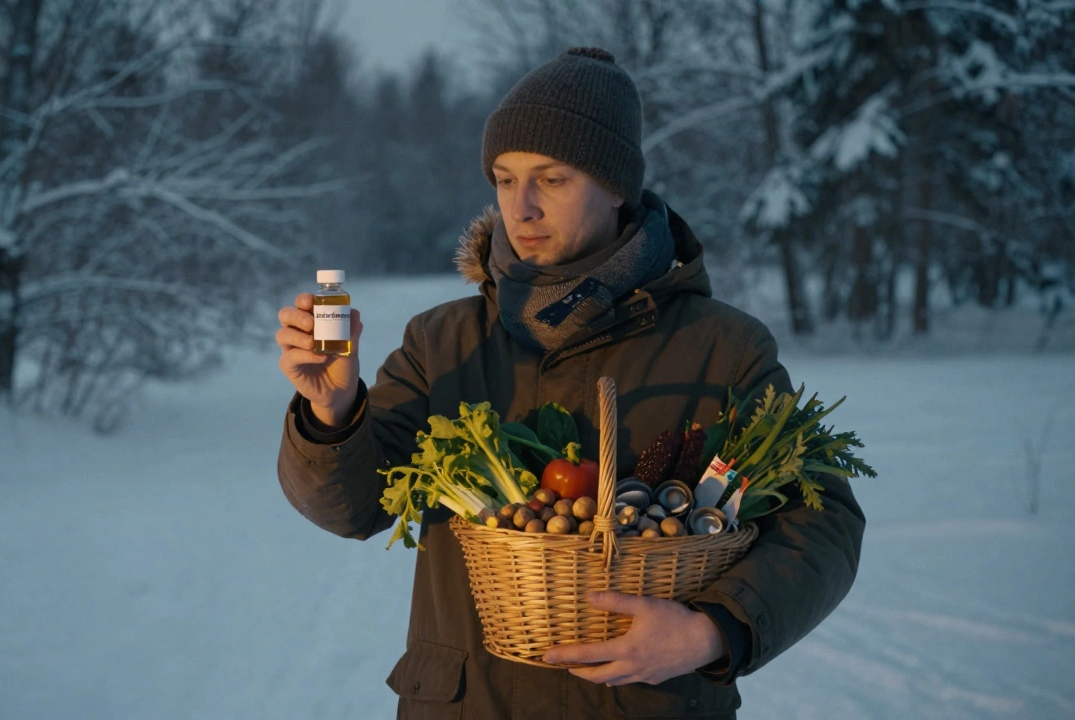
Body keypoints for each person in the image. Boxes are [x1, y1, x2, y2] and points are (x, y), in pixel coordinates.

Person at [275, 47, 865, 720]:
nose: (518, 207)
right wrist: (331, 410)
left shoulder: (721, 348)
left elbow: (823, 524)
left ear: (617, 186)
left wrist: (711, 630)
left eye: (550, 179)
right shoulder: (442, 344)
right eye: (503, 178)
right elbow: (352, 508)